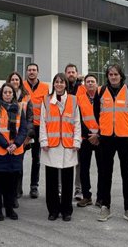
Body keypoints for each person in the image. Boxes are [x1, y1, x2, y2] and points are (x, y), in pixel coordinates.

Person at [93, 64, 128, 224]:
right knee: (106, 173)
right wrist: (104, 128)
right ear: (107, 76)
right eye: (110, 74)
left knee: (126, 175)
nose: (113, 77)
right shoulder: (101, 92)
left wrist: (127, 129)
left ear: (121, 76)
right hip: (106, 138)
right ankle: (105, 206)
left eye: (116, 74)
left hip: (124, 139)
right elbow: (95, 112)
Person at [40, 73, 81, 221]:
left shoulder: (73, 100)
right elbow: (43, 122)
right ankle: (53, 210)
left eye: (61, 82)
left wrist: (77, 141)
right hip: (51, 145)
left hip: (68, 145)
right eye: (56, 82)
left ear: (66, 85)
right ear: (53, 84)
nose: (59, 85)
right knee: (51, 180)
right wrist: (43, 141)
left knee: (67, 180)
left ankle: (66, 210)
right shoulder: (46, 100)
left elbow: (77, 122)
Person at [0, 84, 29, 221]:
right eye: (5, 92)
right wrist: (6, 145)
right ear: (1, 94)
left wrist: (16, 144)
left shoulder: (19, 108)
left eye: (10, 92)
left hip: (15, 152)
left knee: (12, 183)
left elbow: (23, 129)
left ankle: (10, 210)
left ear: (14, 94)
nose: (8, 94)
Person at [22, 62, 49, 198]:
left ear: (38, 72)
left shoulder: (45, 87)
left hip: (38, 127)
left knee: (36, 158)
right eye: (29, 70)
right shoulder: (21, 85)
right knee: (19, 156)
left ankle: (34, 186)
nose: (31, 72)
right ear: (27, 72)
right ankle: (17, 187)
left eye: (34, 70)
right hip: (24, 127)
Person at [7, 71, 34, 201]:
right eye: (12, 79)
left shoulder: (26, 97)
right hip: (6, 138)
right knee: (6, 166)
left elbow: (30, 118)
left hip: (20, 138)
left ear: (20, 82)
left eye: (17, 79)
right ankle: (6, 191)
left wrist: (27, 136)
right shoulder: (4, 96)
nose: (15, 81)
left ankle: (17, 191)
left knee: (18, 165)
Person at [76, 74, 101, 208]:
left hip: (100, 138)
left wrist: (98, 135)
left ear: (97, 84)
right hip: (86, 138)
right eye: (88, 82)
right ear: (84, 85)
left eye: (93, 81)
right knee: (84, 169)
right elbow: (78, 119)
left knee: (102, 169)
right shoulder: (80, 99)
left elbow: (106, 117)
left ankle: (101, 197)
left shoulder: (103, 98)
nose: (90, 83)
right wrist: (89, 134)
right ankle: (86, 196)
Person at [64, 63, 86, 201]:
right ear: (65, 73)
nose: (71, 74)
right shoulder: (61, 87)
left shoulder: (82, 88)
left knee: (79, 162)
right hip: (63, 130)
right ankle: (60, 189)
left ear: (77, 74)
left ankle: (78, 189)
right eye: (69, 72)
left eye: (73, 72)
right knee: (63, 161)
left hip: (79, 130)